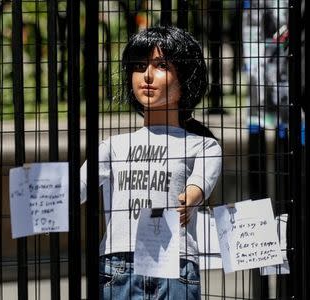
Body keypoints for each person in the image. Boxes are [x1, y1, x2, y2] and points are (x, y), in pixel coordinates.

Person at [80, 26, 222, 299]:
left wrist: (190, 198)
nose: (146, 75)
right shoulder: (113, 146)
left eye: (161, 65)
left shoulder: (202, 145)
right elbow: (80, 186)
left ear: (186, 77)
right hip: (119, 262)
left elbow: (198, 185)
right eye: (139, 65)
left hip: (175, 260)